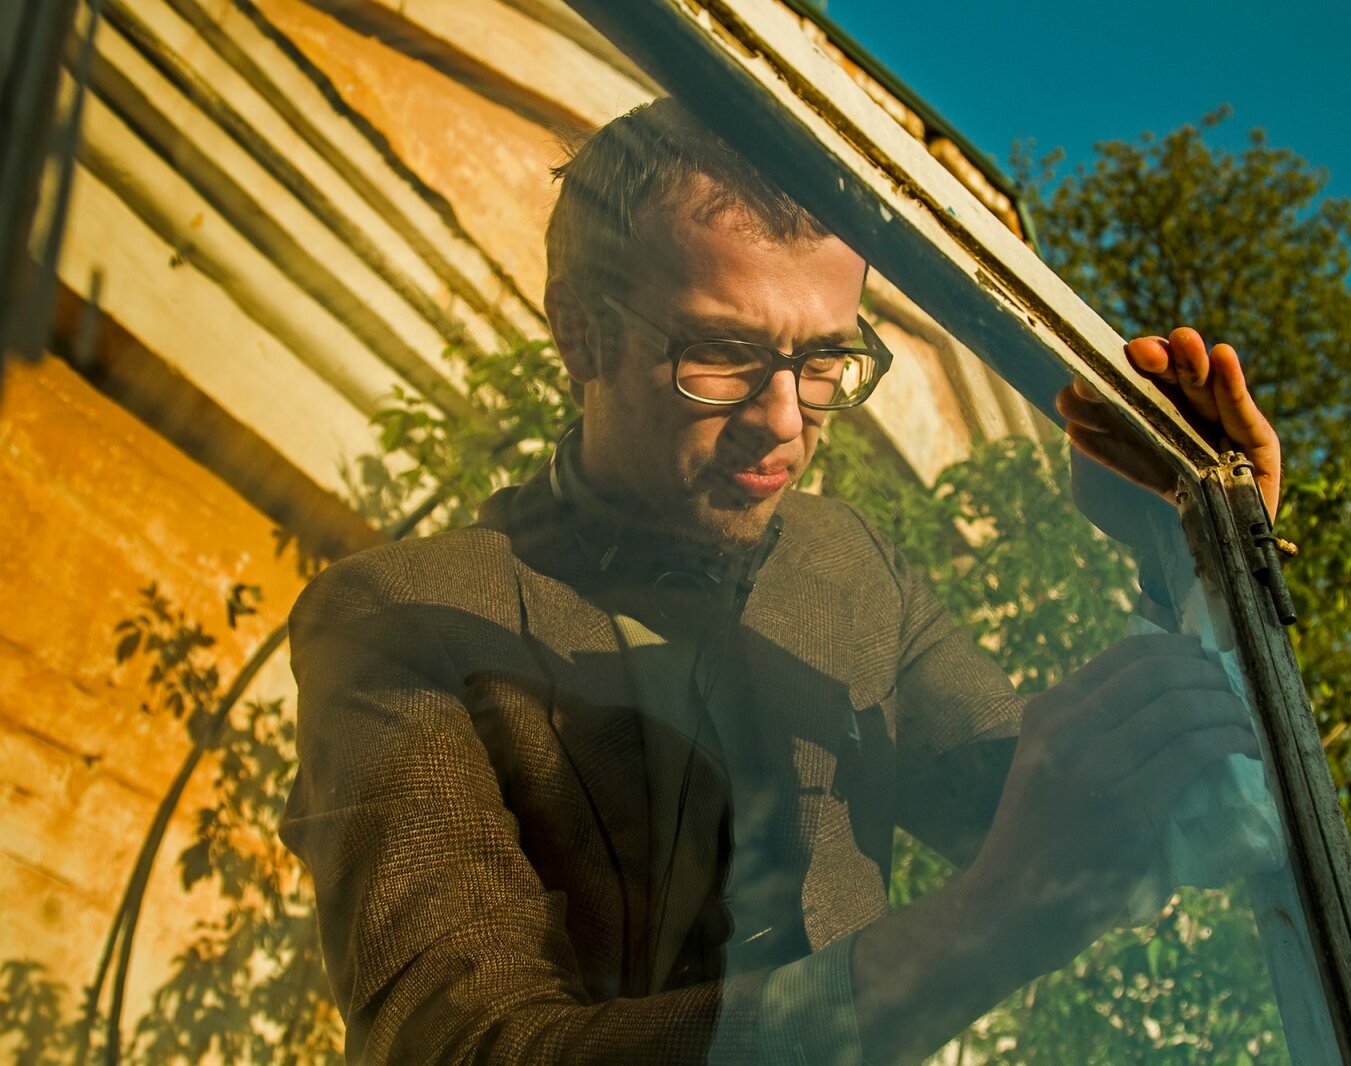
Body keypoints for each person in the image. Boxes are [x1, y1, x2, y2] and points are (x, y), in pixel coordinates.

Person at [281, 99, 1283, 1065]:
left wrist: (1188, 560)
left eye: (825, 360)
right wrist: (989, 920)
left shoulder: (851, 564)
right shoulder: (404, 619)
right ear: (580, 330)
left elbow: (1099, 833)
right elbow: (465, 1051)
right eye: (721, 355)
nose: (784, 421)